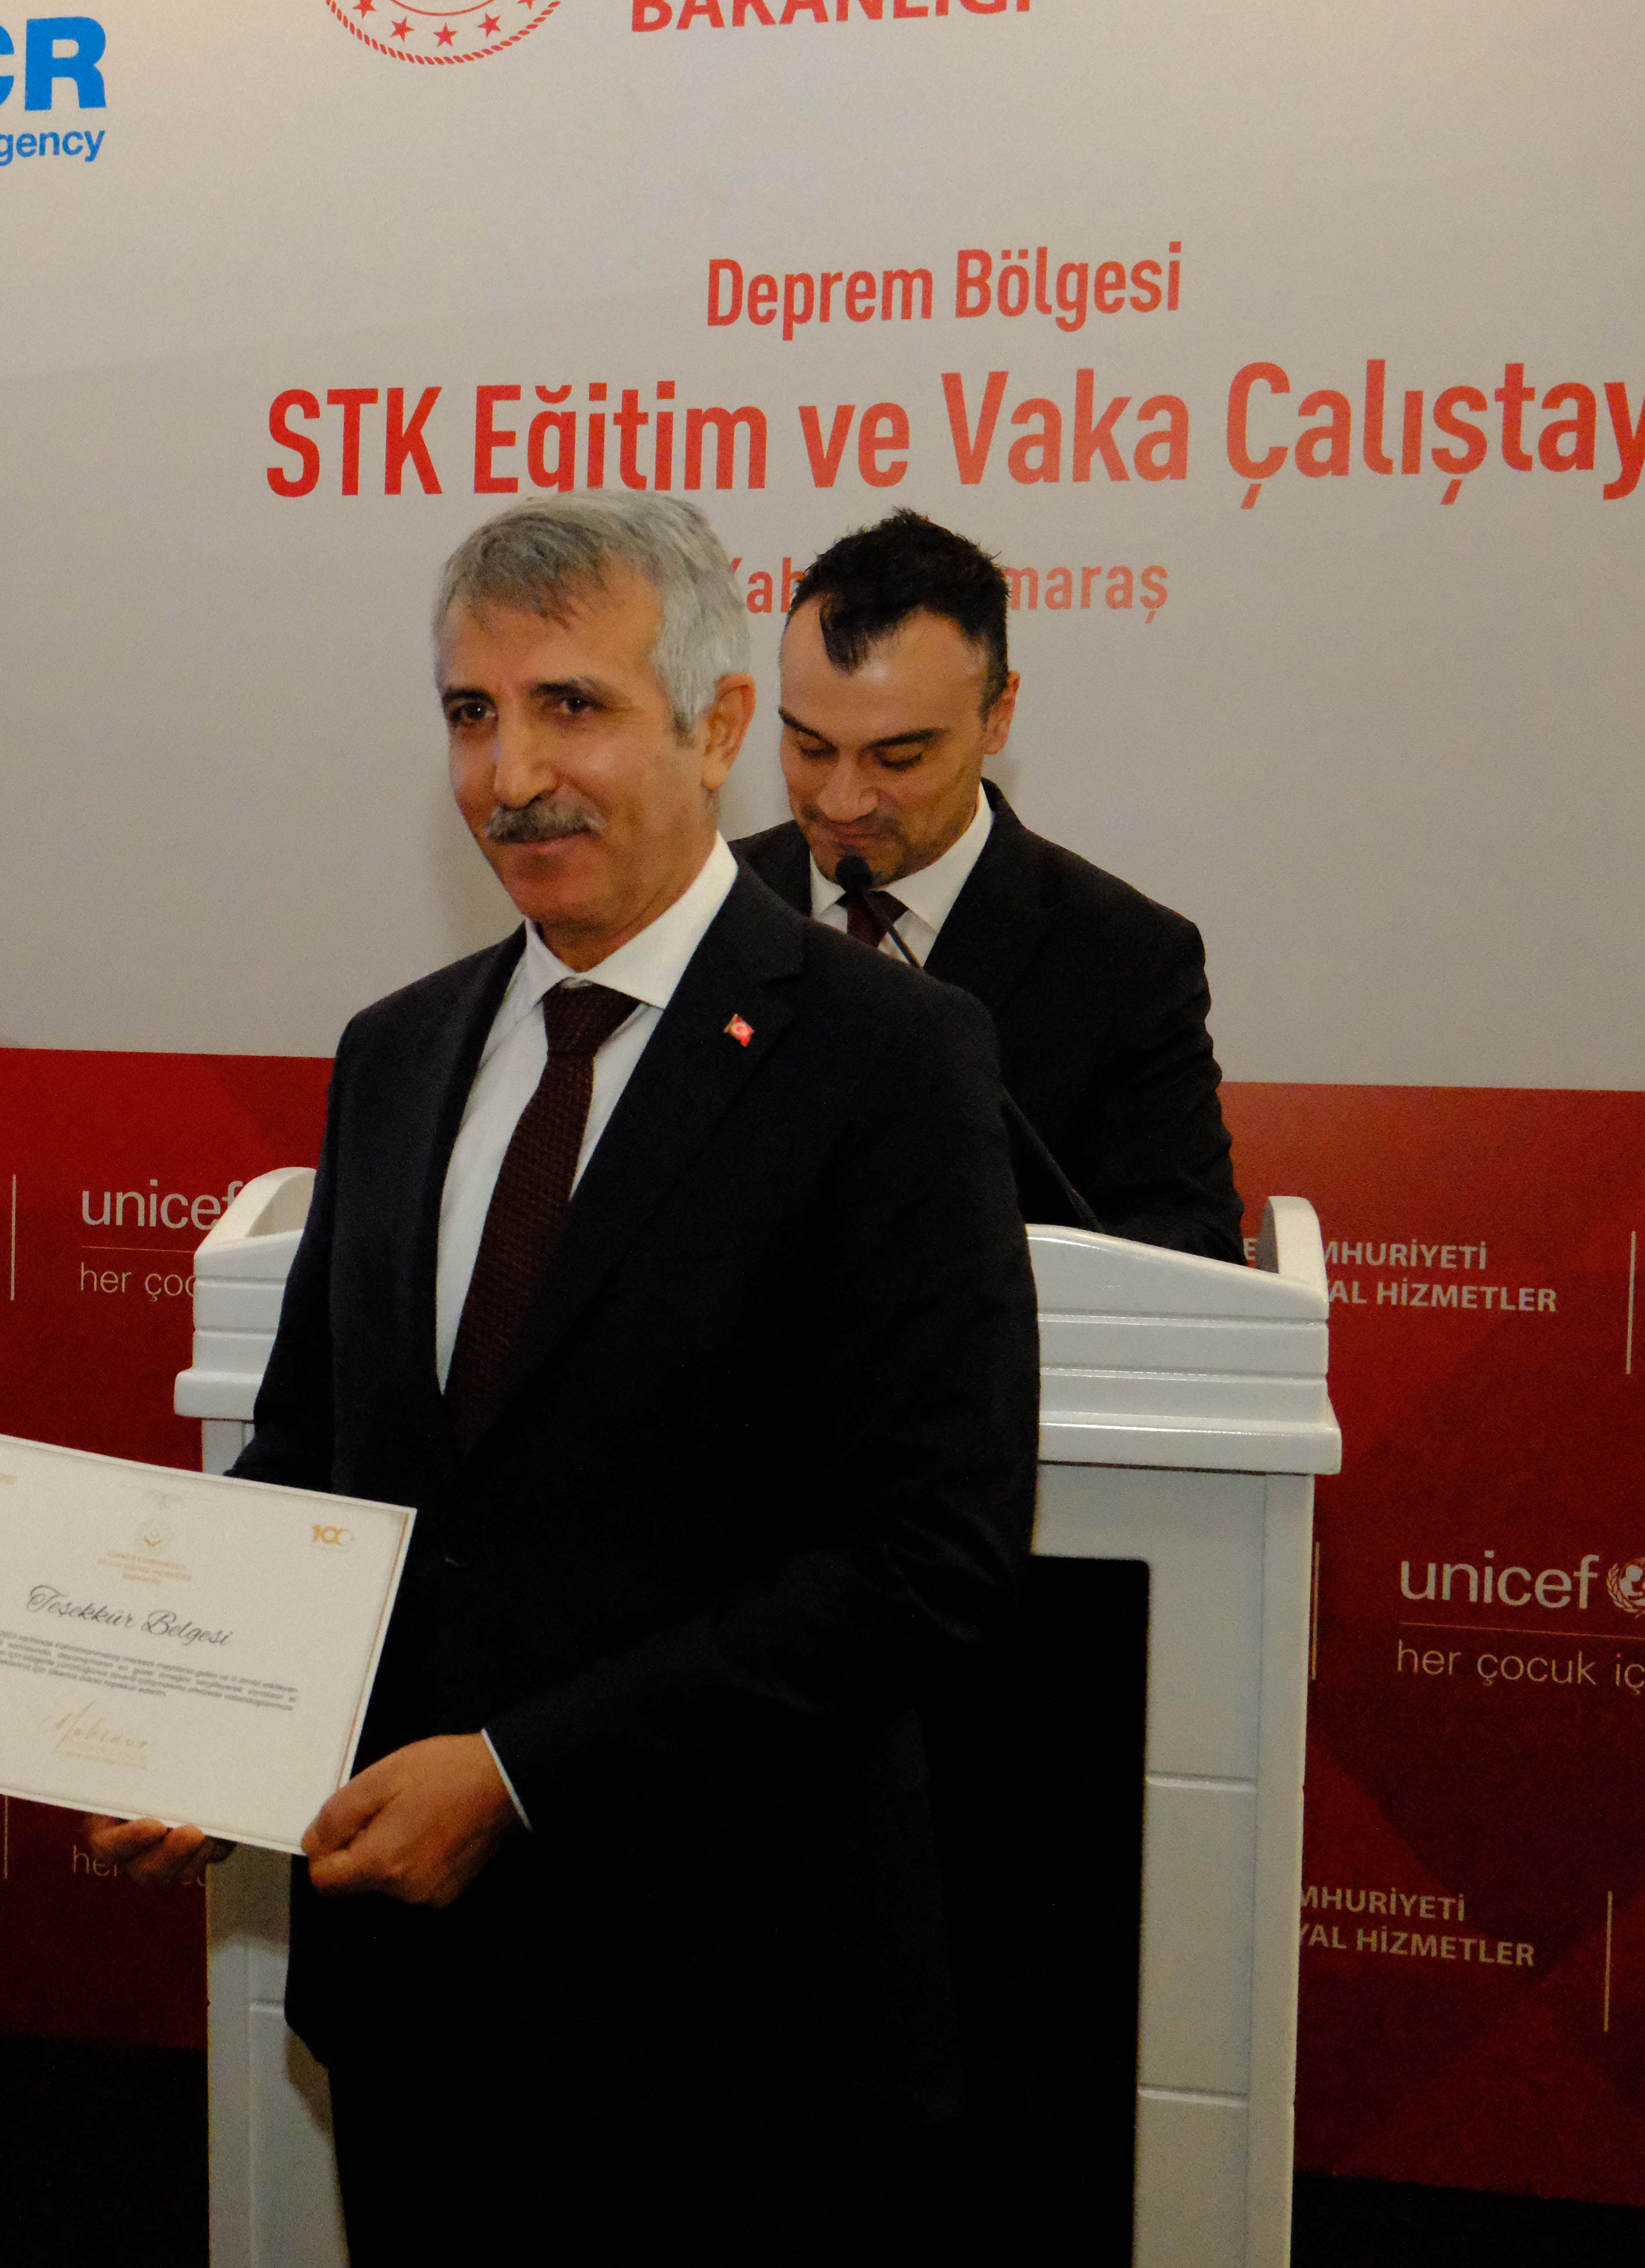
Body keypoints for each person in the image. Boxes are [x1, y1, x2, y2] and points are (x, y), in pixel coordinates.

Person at [97, 495, 1037, 2264]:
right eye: (470, 713)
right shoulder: (395, 1052)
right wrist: (194, 1723)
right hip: (420, 2025)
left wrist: (516, 1775)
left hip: (734, 2039)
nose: (511, 773)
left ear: (716, 723)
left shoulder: (891, 1058)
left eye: (569, 708)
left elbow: (930, 1554)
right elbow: (313, 1460)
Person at [737, 509, 1243, 1258]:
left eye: (898, 759)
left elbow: (1189, 1246)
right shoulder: (707, 907)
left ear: (998, 716)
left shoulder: (1126, 956)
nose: (843, 802)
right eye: (810, 748)